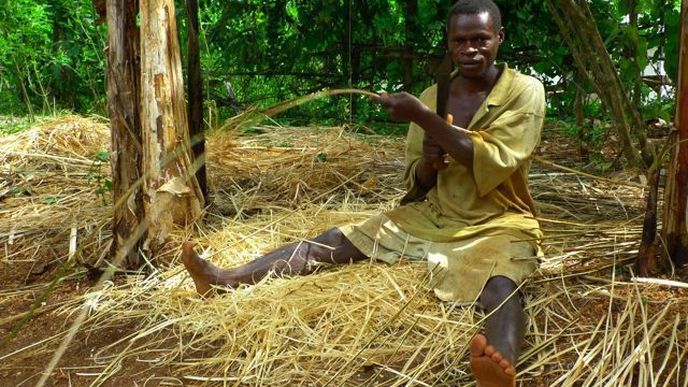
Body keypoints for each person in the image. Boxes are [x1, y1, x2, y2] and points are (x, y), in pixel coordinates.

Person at [180, 0, 545, 385]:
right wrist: (428, 164)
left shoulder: (525, 92)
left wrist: (424, 117)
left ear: (499, 38)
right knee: (333, 241)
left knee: (501, 282)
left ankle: (500, 365)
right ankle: (224, 279)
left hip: (498, 220)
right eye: (460, 41)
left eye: (480, 39)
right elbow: (416, 183)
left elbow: (497, 160)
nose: (470, 50)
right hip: (436, 215)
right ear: (449, 43)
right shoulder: (433, 94)